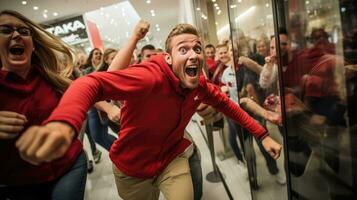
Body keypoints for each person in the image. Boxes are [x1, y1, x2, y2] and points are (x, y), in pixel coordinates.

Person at [24, 23, 282, 200]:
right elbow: (91, 83)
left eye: (197, 49)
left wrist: (262, 134)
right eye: (184, 49)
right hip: (131, 170)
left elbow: (228, 106)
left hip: (172, 159)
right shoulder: (148, 77)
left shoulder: (200, 85)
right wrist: (64, 122)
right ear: (168, 58)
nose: (193, 55)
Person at [0, 10, 86, 199]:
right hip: (19, 183)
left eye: (23, 31)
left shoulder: (51, 77)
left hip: (69, 166)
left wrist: (108, 107)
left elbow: (84, 93)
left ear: (33, 46)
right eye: (5, 30)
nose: (16, 35)